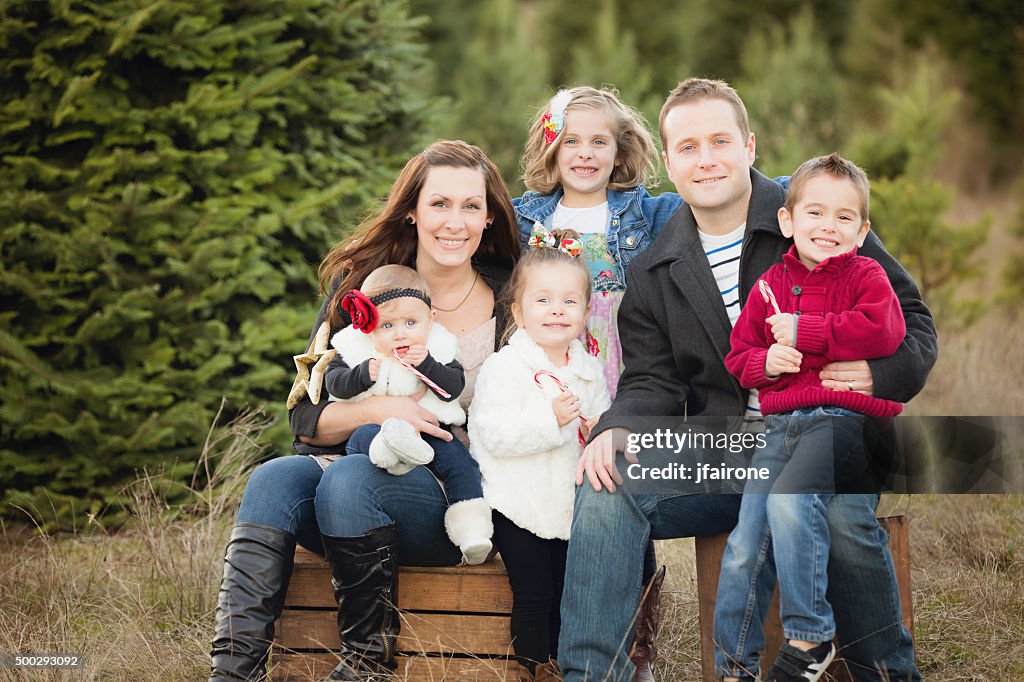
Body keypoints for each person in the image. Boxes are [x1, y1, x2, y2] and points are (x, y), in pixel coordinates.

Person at [558, 78, 936, 682]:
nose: (705, 159)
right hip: (729, 450)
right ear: (669, 161)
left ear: (750, 145)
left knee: (835, 512)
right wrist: (618, 426)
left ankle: (886, 672)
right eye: (687, 147)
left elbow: (911, 319)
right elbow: (652, 379)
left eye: (719, 141)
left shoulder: (813, 209)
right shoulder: (657, 264)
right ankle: (593, 676)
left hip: (830, 428)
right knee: (608, 482)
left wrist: (878, 373)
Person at [209, 140, 520, 681]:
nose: (455, 221)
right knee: (273, 479)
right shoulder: (362, 292)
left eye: (471, 206)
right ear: (412, 211)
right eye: (439, 204)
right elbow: (307, 420)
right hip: (352, 481)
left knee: (351, 479)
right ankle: (233, 673)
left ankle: (367, 666)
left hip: (453, 498)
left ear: (489, 217)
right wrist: (385, 406)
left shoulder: (512, 300)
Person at [715, 153, 907, 682]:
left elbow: (885, 330)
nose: (828, 227)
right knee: (743, 547)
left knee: (793, 500)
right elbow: (739, 356)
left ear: (863, 230)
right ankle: (734, 667)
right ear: (787, 221)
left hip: (844, 423)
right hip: (780, 427)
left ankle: (808, 636)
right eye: (815, 213)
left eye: (845, 217)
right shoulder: (770, 287)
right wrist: (764, 361)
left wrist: (807, 333)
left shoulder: (868, 275)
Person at [514, 86, 681, 680]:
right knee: (555, 490)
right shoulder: (523, 217)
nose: (585, 154)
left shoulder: (650, 213)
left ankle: (634, 646)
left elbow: (724, 198)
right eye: (572, 141)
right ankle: (555, 636)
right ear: (551, 147)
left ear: (620, 150)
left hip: (622, 378)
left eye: (600, 142)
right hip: (551, 374)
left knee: (613, 486)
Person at [468, 234, 611, 678]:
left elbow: (601, 427)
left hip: (571, 507)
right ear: (518, 311)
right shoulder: (506, 368)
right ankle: (535, 667)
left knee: (570, 593)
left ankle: (569, 666)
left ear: (586, 313)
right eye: (543, 299)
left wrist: (596, 432)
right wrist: (549, 422)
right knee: (535, 595)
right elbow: (489, 434)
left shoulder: (589, 372)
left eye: (570, 301)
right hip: (518, 504)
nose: (556, 309)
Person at [322, 264, 492, 566]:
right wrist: (362, 375)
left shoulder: (436, 348)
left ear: (431, 319)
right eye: (387, 326)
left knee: (460, 462)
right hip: (376, 431)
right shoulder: (356, 349)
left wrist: (426, 364)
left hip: (430, 431)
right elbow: (332, 383)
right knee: (361, 438)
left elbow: (452, 388)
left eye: (411, 322)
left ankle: (472, 531)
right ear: (369, 327)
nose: (401, 334)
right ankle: (393, 450)